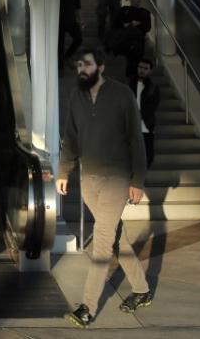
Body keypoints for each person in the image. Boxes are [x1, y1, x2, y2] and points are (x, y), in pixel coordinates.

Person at [57, 48, 152, 328]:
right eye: (78, 66)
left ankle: (87, 306)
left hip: (117, 178)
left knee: (101, 241)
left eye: (86, 64)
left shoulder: (122, 95)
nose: (81, 70)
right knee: (115, 236)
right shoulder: (76, 96)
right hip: (89, 180)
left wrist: (137, 180)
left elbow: (136, 139)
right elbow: (71, 137)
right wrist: (64, 171)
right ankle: (141, 289)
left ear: (100, 66)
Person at [113, 0, 152, 80]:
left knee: (136, 63)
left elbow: (147, 27)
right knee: (128, 63)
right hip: (125, 42)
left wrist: (130, 25)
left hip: (138, 43)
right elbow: (116, 25)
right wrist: (132, 24)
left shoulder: (145, 13)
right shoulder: (124, 10)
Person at [130, 57, 160, 168]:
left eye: (145, 68)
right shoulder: (129, 84)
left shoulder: (153, 87)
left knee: (148, 155)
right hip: (131, 125)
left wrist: (138, 115)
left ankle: (141, 178)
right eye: (140, 67)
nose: (142, 70)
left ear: (150, 71)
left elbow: (152, 106)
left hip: (146, 125)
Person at [59, 0, 83, 67]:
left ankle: (67, 57)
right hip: (59, 20)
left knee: (78, 38)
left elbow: (77, 7)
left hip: (71, 20)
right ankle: (60, 66)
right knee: (60, 45)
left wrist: (80, 20)